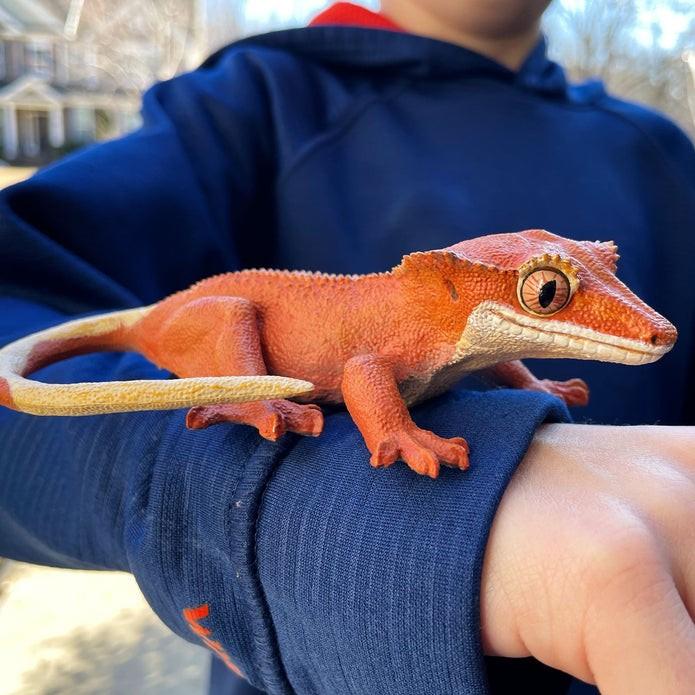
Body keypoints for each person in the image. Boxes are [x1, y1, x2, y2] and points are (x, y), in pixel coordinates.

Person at [0, 1, 693, 694]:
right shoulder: (253, 101)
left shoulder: (657, 154)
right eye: (545, 294)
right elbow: (365, 369)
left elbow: (489, 342)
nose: (645, 322)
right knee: (236, 318)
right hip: (208, 327)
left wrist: (532, 388)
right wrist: (350, 478)